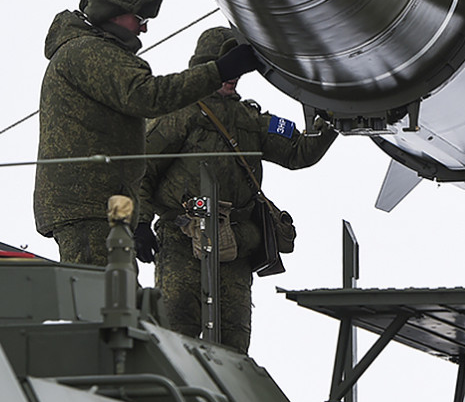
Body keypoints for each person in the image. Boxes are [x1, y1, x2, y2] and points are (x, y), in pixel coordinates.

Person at [34, 0, 263, 265]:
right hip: (89, 208)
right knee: (102, 301)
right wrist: (218, 71)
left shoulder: (92, 50)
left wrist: (137, 220)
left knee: (120, 300)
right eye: (140, 19)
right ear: (115, 12)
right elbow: (148, 95)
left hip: (108, 205)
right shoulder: (88, 52)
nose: (143, 29)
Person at [137, 26, 339, 353]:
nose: (233, 77)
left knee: (233, 351)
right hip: (181, 242)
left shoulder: (252, 119)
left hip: (235, 248)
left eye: (237, 70)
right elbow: (140, 169)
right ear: (205, 67)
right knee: (175, 343)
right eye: (225, 67)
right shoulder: (179, 113)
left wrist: (331, 116)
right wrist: (141, 223)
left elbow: (300, 152)